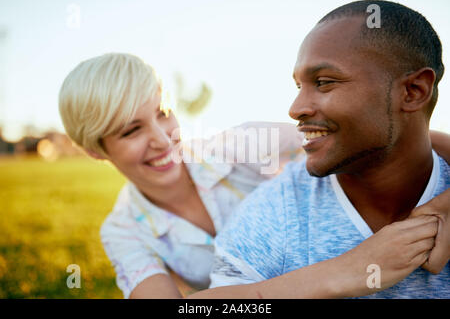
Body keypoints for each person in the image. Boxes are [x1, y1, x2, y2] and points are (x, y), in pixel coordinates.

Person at [58, 51, 449, 299]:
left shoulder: (243, 144)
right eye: (131, 131)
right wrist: (350, 271)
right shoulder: (123, 230)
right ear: (96, 150)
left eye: (162, 113)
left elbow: (391, 137)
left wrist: (444, 204)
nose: (162, 139)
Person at [200, 0, 450, 299]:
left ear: (413, 92)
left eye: (324, 82)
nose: (296, 109)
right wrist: (345, 272)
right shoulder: (278, 209)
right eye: (299, 86)